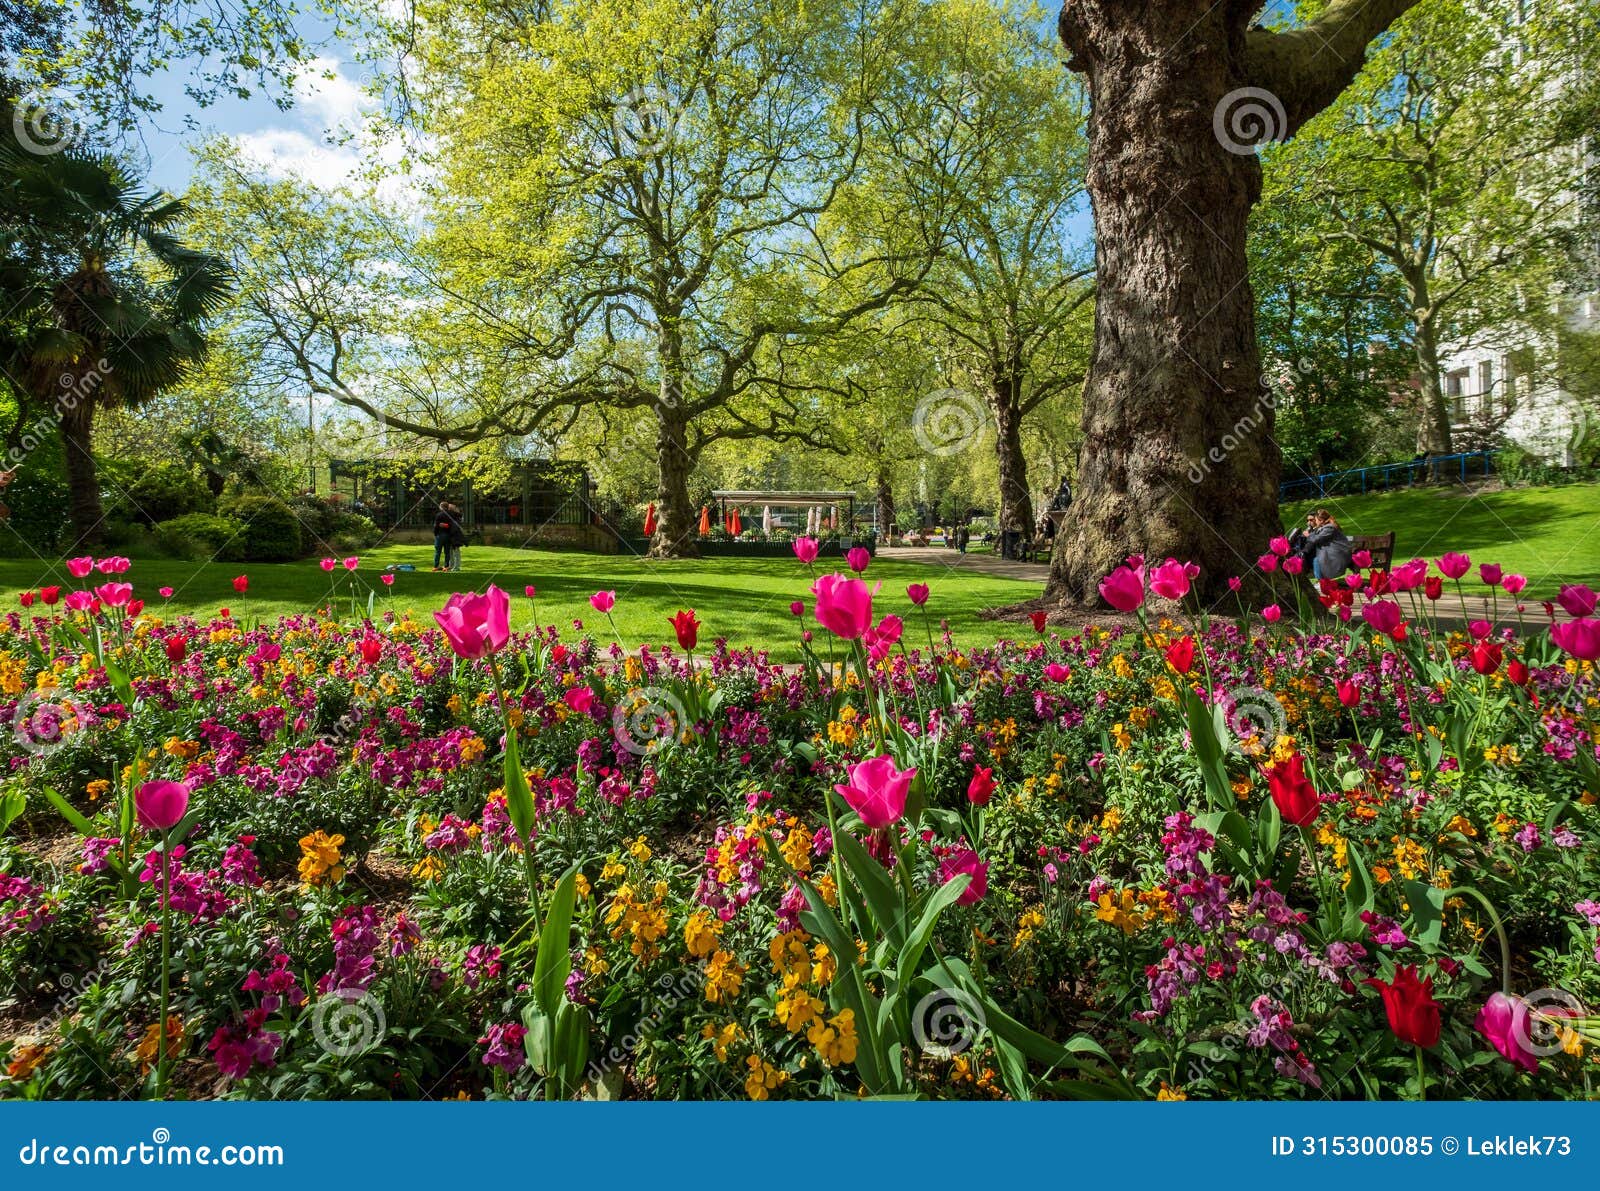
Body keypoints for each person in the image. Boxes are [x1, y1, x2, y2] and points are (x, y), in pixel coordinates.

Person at [433, 501, 461, 571]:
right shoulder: (452, 514)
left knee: (438, 551)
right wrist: (455, 509)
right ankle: (446, 566)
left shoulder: (439, 515)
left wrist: (435, 534)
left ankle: (436, 566)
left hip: (439, 535)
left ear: (441, 507)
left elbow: (436, 526)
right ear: (447, 507)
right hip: (448, 535)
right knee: (447, 552)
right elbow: (459, 515)